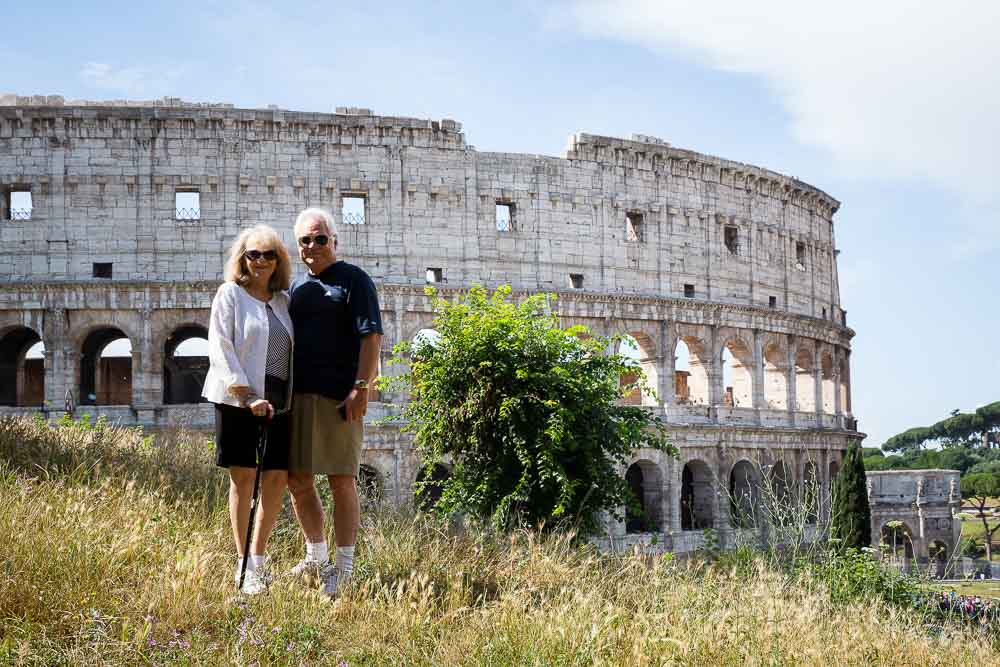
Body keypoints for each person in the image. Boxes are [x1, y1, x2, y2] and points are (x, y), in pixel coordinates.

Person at [286, 207, 383, 597]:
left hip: (339, 396)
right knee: (297, 480)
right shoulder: (297, 288)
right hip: (298, 395)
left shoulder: (354, 280)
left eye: (319, 238)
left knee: (342, 479)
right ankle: (316, 556)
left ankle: (345, 567)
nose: (312, 246)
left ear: (334, 241)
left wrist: (362, 386)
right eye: (305, 240)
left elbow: (371, 336)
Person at [202, 224, 294, 594]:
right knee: (243, 479)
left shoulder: (283, 301)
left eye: (268, 254)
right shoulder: (230, 294)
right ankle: (242, 561)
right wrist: (246, 395)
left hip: (278, 399)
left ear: (278, 261)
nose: (260, 261)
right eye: (253, 254)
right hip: (237, 398)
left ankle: (258, 559)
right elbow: (219, 345)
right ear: (242, 258)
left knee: (275, 478)